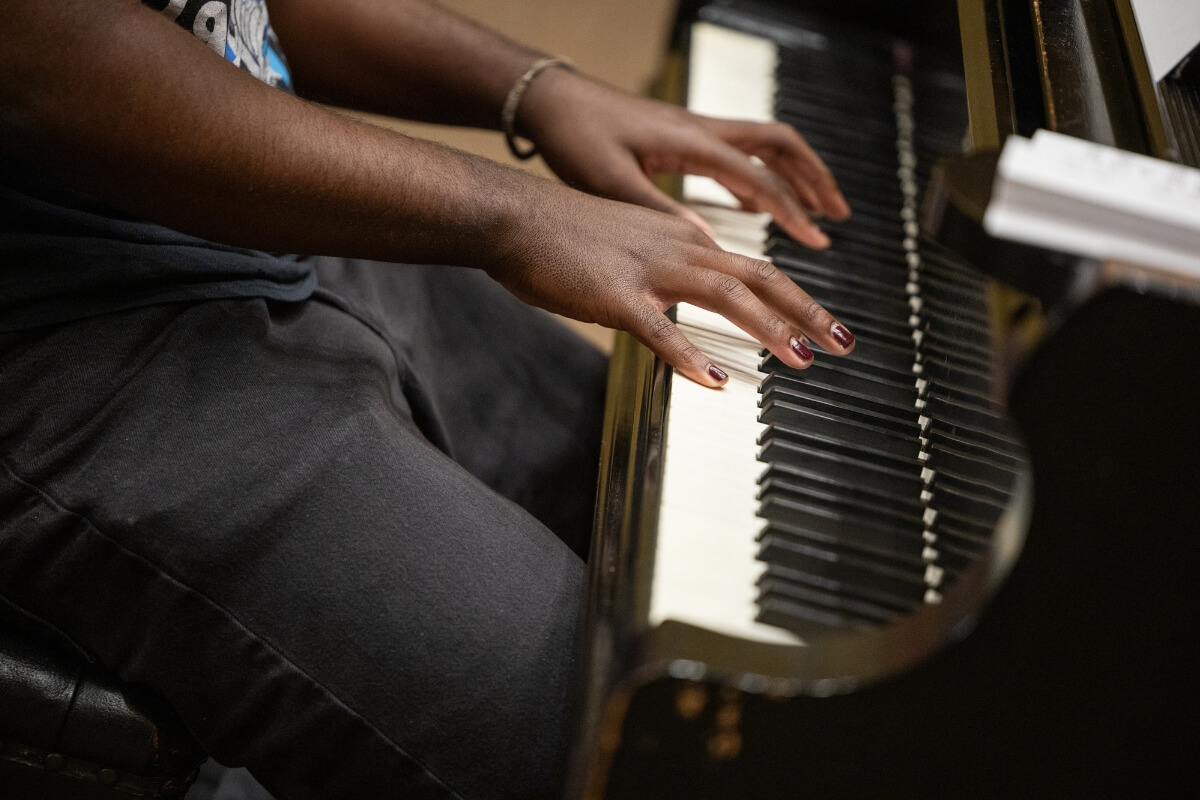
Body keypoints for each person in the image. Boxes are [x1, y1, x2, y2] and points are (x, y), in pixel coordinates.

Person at [0, 1, 854, 797]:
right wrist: (515, 215)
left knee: (656, 507)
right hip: (70, 338)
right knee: (618, 741)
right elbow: (46, 53)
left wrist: (538, 91)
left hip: (261, 212)